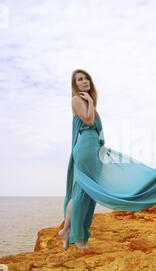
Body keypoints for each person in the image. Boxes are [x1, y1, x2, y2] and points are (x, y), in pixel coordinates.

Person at [58, 68, 103, 250]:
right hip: (85, 147)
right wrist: (91, 102)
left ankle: (67, 230)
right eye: (79, 80)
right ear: (75, 85)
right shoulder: (77, 100)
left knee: (82, 189)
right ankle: (77, 235)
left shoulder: (85, 102)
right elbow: (89, 120)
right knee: (84, 190)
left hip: (91, 147)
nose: (84, 82)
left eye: (86, 79)